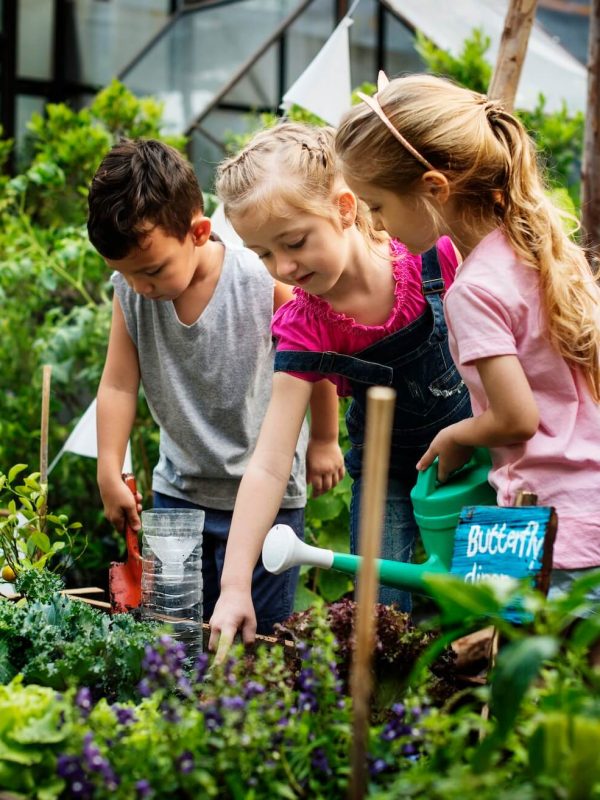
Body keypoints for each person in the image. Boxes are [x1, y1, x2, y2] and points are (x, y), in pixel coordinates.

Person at [335, 72, 600, 602]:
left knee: (521, 673)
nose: (377, 225)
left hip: (545, 527)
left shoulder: (474, 290)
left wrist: (456, 435)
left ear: (434, 188)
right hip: (586, 507)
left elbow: (516, 417)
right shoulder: (535, 247)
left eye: (379, 205)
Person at [208, 121, 471, 652]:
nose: (282, 267)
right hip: (388, 474)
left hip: (481, 457)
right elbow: (269, 462)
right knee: (379, 619)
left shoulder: (434, 257)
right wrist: (235, 583)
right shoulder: (305, 324)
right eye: (262, 254)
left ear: (346, 207)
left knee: (486, 605)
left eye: (295, 242)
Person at [87, 138, 344, 634]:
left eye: (153, 270)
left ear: (199, 232)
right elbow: (118, 385)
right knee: (174, 638)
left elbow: (315, 358)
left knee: (259, 642)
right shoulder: (132, 294)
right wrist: (107, 468)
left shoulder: (260, 282)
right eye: (125, 273)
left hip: (268, 499)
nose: (141, 285)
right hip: (179, 494)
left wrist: (325, 439)